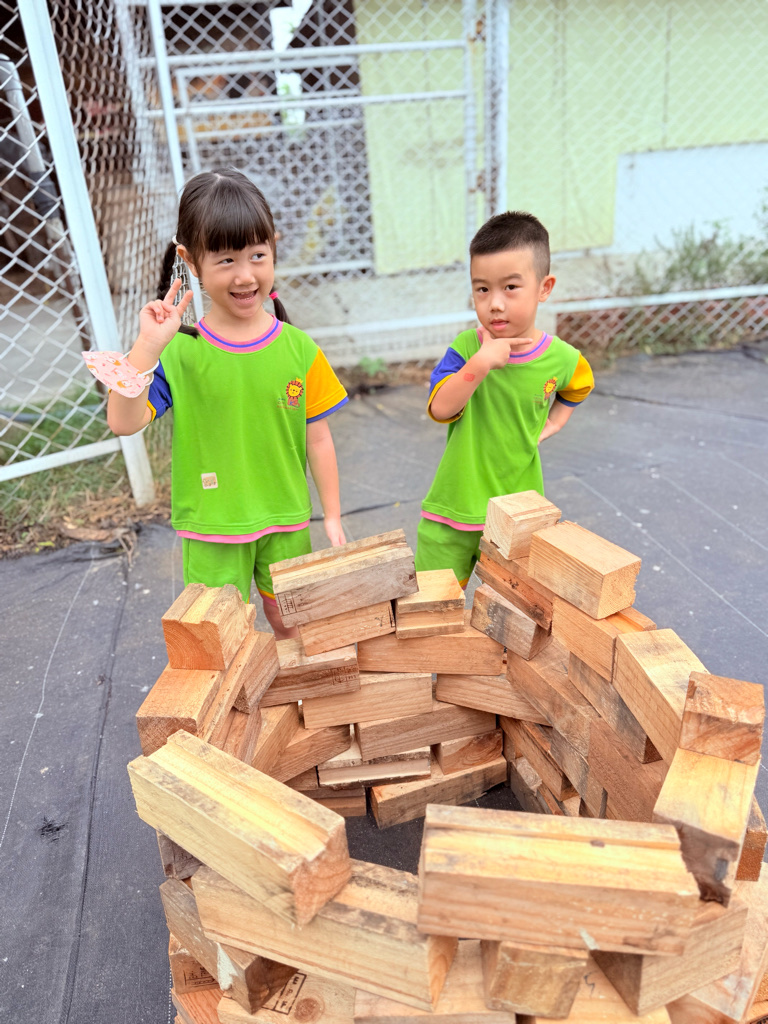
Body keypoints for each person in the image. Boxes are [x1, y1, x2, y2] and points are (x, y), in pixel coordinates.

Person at [99, 169, 348, 637]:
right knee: (220, 637)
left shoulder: (299, 349)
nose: (245, 275)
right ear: (190, 261)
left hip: (287, 521)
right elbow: (122, 421)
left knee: (294, 626)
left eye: (257, 255)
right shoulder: (179, 352)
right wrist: (146, 348)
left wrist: (331, 515)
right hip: (211, 528)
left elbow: (318, 438)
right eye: (226, 259)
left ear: (274, 247)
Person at [416, 210, 594, 586]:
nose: (495, 303)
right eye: (482, 289)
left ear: (544, 288)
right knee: (431, 604)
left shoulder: (562, 359)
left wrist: (556, 421)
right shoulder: (467, 348)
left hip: (519, 516)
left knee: (513, 607)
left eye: (510, 287)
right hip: (454, 509)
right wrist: (480, 363)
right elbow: (440, 408)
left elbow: (579, 384)